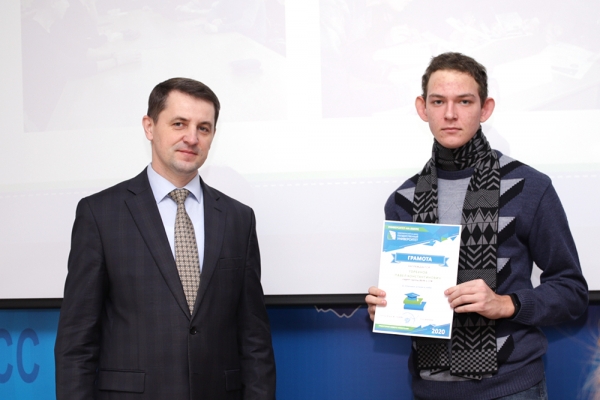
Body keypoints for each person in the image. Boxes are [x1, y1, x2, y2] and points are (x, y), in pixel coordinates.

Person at [365, 52, 588, 400]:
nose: (450, 114)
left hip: (513, 389)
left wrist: (507, 304)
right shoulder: (403, 200)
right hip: (430, 390)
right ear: (423, 108)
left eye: (464, 101)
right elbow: (413, 296)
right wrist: (385, 308)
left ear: (485, 109)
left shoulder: (530, 187)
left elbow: (572, 291)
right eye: (438, 101)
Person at [55, 77, 276, 399]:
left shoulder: (238, 218)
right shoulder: (99, 214)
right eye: (179, 124)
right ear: (149, 126)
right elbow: (77, 341)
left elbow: (254, 338)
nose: (192, 138)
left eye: (203, 128)